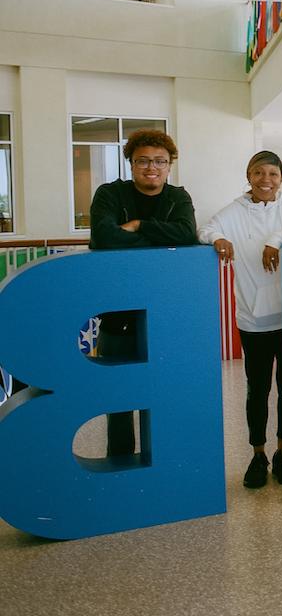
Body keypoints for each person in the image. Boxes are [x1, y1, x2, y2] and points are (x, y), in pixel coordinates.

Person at [199, 150, 282, 488]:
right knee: (257, 390)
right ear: (249, 176)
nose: (266, 180)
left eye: (273, 174)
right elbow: (206, 229)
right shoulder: (234, 211)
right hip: (252, 318)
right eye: (258, 173)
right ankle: (258, 454)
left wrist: (277, 238)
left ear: (281, 178)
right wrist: (218, 238)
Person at [89, 128, 198, 457]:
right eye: (143, 161)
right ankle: (120, 463)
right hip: (117, 311)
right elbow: (104, 238)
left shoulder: (178, 197)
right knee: (119, 394)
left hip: (164, 310)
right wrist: (161, 237)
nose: (152, 168)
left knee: (164, 389)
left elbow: (187, 234)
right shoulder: (109, 194)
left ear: (170, 164)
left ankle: (163, 464)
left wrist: (138, 226)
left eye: (160, 161)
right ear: (131, 163)